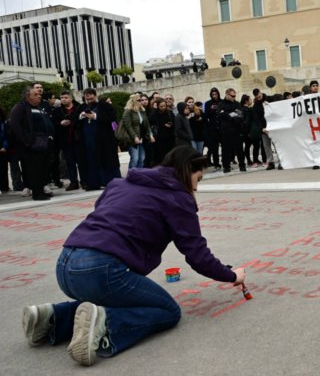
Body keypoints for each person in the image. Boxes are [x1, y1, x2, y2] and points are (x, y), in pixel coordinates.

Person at [21, 146, 247, 367]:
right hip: (103, 271)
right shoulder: (178, 198)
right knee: (168, 311)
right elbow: (197, 254)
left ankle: (50, 317)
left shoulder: (122, 183)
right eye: (198, 180)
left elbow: (102, 209)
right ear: (188, 170)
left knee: (107, 300)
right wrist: (231, 275)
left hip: (65, 264)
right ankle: (106, 323)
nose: (196, 188)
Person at [9, 86, 55, 200]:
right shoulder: (20, 107)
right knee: (34, 170)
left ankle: (41, 191)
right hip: (31, 145)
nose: (39, 95)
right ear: (27, 96)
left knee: (43, 169)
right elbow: (15, 125)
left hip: (44, 143)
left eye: (39, 94)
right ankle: (37, 194)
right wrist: (26, 141)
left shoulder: (39, 107)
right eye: (35, 94)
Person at [77, 88, 121, 190]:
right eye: (87, 99)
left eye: (90, 97)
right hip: (88, 140)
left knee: (105, 159)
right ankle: (93, 183)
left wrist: (95, 116)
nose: (89, 100)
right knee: (91, 161)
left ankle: (109, 182)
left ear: (95, 95)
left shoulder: (105, 106)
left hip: (103, 140)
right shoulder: (84, 107)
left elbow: (112, 118)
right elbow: (75, 120)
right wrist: (81, 116)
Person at [54, 91, 84, 191]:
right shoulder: (57, 110)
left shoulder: (79, 108)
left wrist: (72, 122)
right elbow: (54, 124)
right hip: (66, 141)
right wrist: (60, 123)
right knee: (70, 163)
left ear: (71, 98)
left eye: (65, 97)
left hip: (78, 139)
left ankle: (84, 181)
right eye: (61, 97)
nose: (63, 99)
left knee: (81, 162)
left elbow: (83, 122)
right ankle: (73, 182)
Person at [121, 94, 155, 169]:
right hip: (132, 139)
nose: (142, 102)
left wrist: (151, 135)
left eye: (142, 100)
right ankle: (131, 176)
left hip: (142, 137)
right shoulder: (128, 111)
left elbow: (147, 125)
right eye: (139, 100)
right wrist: (135, 137)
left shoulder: (142, 111)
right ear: (134, 101)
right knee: (135, 159)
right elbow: (128, 126)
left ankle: (139, 175)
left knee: (142, 159)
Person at [218, 88, 246, 172]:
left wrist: (229, 116)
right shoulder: (221, 104)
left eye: (235, 96)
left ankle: (242, 165)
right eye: (232, 96)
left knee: (240, 149)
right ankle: (226, 167)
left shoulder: (237, 104)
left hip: (236, 129)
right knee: (226, 149)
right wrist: (231, 115)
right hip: (226, 130)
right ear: (227, 95)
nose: (234, 97)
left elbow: (241, 116)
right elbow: (221, 115)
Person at [150, 98, 176, 165]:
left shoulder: (169, 112)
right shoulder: (154, 114)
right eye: (161, 106)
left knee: (171, 154)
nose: (163, 107)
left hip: (170, 137)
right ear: (158, 106)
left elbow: (174, 121)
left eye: (164, 105)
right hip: (160, 138)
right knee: (162, 156)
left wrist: (171, 124)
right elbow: (152, 124)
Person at [203, 88, 222, 169]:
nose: (214, 96)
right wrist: (211, 109)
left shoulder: (222, 102)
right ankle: (216, 164)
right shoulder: (208, 103)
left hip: (222, 127)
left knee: (225, 147)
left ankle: (225, 163)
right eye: (213, 94)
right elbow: (206, 115)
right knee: (214, 148)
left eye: (215, 94)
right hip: (213, 128)